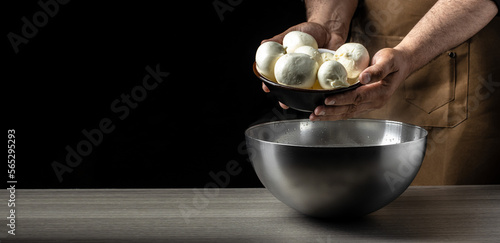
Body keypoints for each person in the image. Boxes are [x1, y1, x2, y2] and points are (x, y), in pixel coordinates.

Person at [262, 0, 500, 185]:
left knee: (443, 220)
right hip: (358, 74)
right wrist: (329, 27)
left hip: (459, 80)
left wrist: (409, 53)